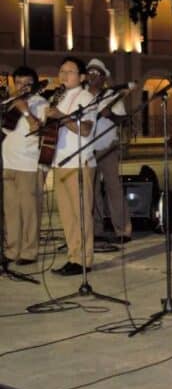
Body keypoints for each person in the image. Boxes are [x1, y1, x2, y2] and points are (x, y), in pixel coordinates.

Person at [49, 56, 99, 276]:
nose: (64, 75)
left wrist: (61, 117)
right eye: (62, 71)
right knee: (67, 215)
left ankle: (84, 260)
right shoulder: (59, 97)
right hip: (60, 161)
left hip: (80, 162)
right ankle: (73, 256)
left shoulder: (87, 98)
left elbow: (86, 129)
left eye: (69, 71)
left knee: (81, 214)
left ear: (82, 77)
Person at [2, 66, 47, 265]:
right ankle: (12, 250)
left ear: (34, 85)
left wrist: (26, 111)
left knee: (29, 212)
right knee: (11, 211)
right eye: (18, 83)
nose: (21, 87)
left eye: (27, 83)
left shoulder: (41, 103)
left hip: (28, 164)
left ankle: (29, 252)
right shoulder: (8, 103)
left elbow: (39, 130)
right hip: (7, 163)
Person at [85, 58, 132, 245]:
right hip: (87, 149)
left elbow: (124, 121)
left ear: (104, 77)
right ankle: (96, 229)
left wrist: (110, 114)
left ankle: (122, 230)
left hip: (107, 147)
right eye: (89, 72)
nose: (92, 76)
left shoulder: (112, 96)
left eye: (96, 73)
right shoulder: (82, 96)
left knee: (113, 187)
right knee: (92, 190)